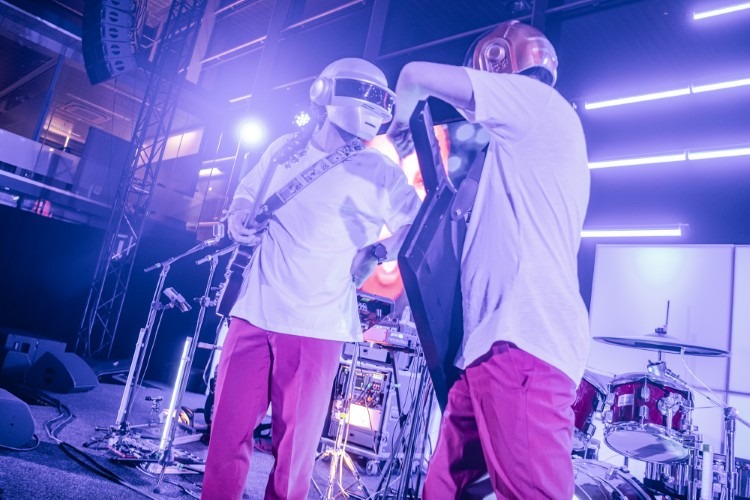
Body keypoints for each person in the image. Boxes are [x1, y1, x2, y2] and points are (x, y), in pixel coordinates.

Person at [386, 21, 590, 498]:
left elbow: (415, 74)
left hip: (524, 343)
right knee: (444, 490)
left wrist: (401, 121)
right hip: (489, 346)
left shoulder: (536, 104)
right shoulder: (519, 145)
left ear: (497, 62)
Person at [201, 58, 421, 500]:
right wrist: (238, 216)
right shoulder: (285, 148)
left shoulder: (379, 170)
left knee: (293, 459)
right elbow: (247, 193)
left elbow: (419, 224)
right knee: (225, 441)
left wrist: (378, 252)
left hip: (316, 327)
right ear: (326, 93)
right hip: (253, 315)